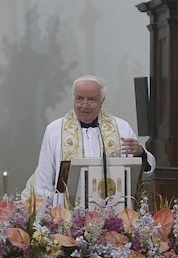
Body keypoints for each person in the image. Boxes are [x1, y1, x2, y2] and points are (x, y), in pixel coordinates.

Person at [29, 75, 156, 203]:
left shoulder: (121, 128)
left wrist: (140, 153)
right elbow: (44, 179)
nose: (85, 104)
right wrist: (46, 215)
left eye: (91, 99)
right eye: (80, 98)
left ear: (102, 101)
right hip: (66, 214)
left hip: (112, 208)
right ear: (73, 99)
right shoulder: (55, 130)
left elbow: (143, 173)